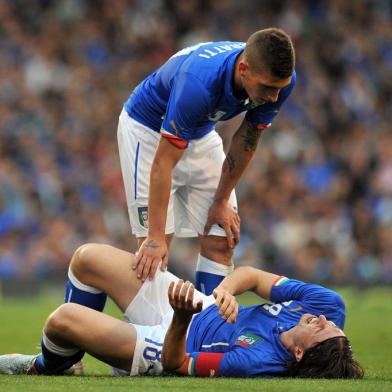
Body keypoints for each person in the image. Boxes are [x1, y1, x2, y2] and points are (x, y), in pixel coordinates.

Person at [0, 243, 363, 378]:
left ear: (299, 353)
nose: (323, 320)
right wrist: (222, 292)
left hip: (170, 342)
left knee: (62, 320)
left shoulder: (256, 362)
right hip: (196, 305)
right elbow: (251, 275)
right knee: (86, 258)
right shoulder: (329, 304)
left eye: (321, 329)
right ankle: (70, 359)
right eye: (331, 324)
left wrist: (183, 317)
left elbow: (177, 363)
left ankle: (45, 366)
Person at [118, 27, 296, 294]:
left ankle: (207, 328)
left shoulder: (280, 81)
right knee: (154, 253)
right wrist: (155, 238)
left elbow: (247, 138)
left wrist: (221, 200)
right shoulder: (198, 84)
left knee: (222, 236)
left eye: (278, 89)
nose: (273, 97)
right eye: (268, 88)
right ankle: (153, 334)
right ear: (244, 69)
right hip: (148, 132)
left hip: (199, 131)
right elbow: (163, 162)